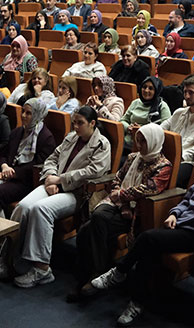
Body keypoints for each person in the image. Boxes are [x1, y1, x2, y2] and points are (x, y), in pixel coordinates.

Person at [82, 147, 194, 326]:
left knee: (147, 239)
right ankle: (137, 302)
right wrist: (174, 213)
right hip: (179, 226)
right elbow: (186, 202)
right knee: (148, 252)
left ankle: (119, 272)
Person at [0, 106, 111, 288]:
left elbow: (93, 171)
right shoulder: (70, 137)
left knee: (40, 209)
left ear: (92, 123)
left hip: (77, 193)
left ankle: (42, 269)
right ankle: (9, 257)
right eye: (74, 122)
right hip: (53, 184)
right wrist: (50, 180)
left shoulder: (102, 144)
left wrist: (60, 180)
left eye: (80, 123)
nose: (75, 127)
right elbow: (52, 159)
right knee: (23, 206)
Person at [70, 123, 173, 300]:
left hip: (136, 214)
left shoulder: (163, 166)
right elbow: (118, 178)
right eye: (137, 140)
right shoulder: (133, 157)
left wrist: (122, 196)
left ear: (154, 142)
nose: (139, 145)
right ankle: (92, 276)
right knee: (86, 231)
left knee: (95, 222)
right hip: (119, 206)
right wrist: (122, 200)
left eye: (143, 142)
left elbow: (149, 189)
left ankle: (94, 276)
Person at [0, 97, 56, 218]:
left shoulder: (46, 138)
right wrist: (4, 167)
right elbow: (4, 154)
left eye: (29, 113)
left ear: (38, 115)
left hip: (24, 181)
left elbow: (39, 165)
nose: (23, 115)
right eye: (23, 111)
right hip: (5, 174)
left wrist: (12, 173)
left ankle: (3, 234)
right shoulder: (17, 132)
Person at [121, 77, 171, 142]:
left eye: (150, 88)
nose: (146, 90)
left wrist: (143, 130)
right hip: (129, 140)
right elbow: (123, 120)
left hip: (149, 143)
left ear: (156, 91)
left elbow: (166, 130)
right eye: (144, 87)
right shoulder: (135, 102)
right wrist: (128, 127)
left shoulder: (162, 106)